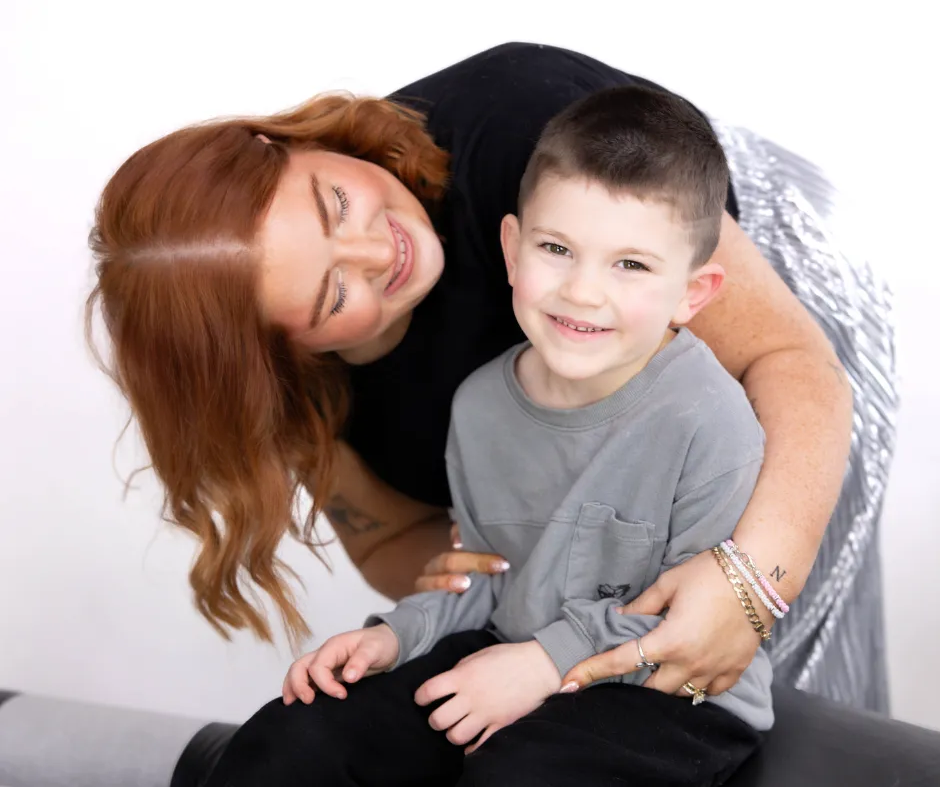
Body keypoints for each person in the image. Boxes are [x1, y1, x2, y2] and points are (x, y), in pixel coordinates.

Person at [86, 41, 853, 712]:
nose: (379, 251)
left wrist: (753, 583)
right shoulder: (305, 392)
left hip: (789, 366)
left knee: (768, 658)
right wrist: (478, 579)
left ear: (284, 143)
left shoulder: (522, 127)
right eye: (333, 295)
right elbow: (391, 536)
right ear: (286, 357)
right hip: (619, 545)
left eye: (336, 203)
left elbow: (789, 361)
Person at [205, 83, 775, 787]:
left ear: (692, 293)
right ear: (512, 249)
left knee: (521, 774)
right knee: (297, 740)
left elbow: (696, 622)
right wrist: (395, 637)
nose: (583, 292)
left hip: (666, 687)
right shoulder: (480, 406)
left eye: (630, 265)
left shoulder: (712, 418)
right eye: (556, 249)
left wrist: (542, 666)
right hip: (510, 651)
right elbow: (486, 577)